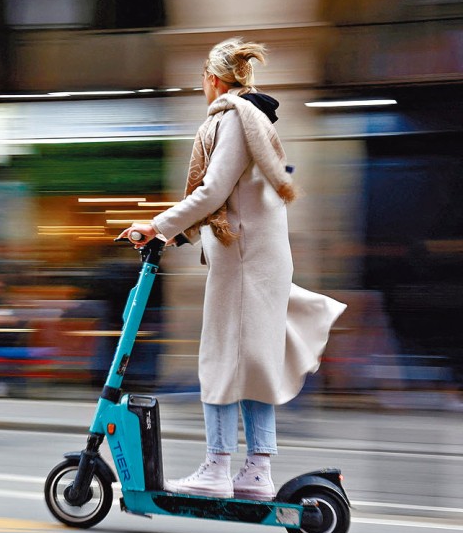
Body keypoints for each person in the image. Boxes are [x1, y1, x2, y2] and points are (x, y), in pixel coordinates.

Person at [121, 38, 346, 500]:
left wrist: (158, 226)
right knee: (252, 365)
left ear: (213, 78)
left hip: (244, 263)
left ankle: (218, 467)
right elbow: (232, 199)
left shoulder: (232, 119)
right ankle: (257, 471)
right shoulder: (255, 119)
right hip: (255, 258)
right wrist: (178, 235)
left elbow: (213, 192)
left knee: (221, 361)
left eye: (202, 78)